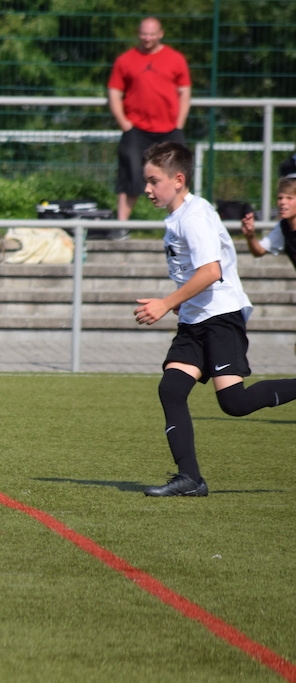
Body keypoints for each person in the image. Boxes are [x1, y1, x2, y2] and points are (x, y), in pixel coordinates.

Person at [133, 141, 296, 497]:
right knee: (171, 389)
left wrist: (166, 303)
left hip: (220, 317)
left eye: (153, 181)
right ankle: (189, 479)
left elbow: (211, 271)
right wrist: (181, 302)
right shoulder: (178, 217)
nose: (147, 189)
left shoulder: (194, 216)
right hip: (195, 319)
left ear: (178, 180)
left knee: (234, 403)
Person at [108, 16, 191, 227]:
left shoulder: (175, 59)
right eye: (144, 34)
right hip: (136, 129)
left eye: (152, 34)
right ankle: (121, 226)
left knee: (177, 176)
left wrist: (179, 123)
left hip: (169, 129)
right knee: (131, 175)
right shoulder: (125, 60)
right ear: (138, 34)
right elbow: (114, 93)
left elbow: (184, 92)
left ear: (160, 34)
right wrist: (124, 123)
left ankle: (183, 224)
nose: (147, 38)